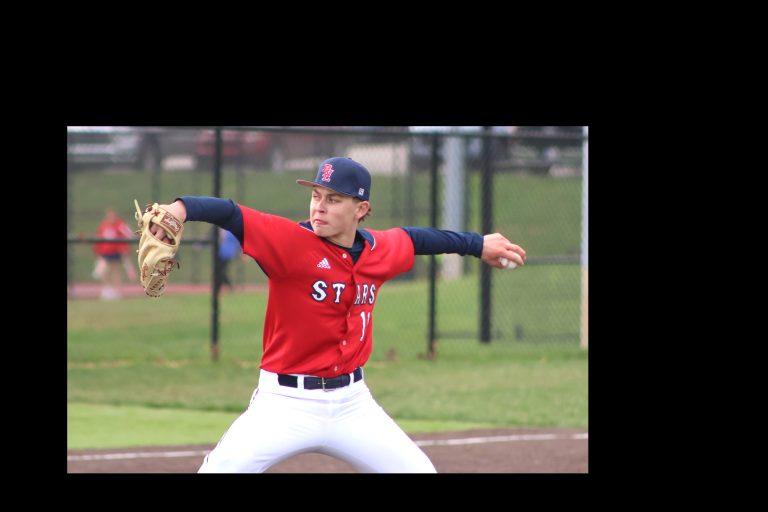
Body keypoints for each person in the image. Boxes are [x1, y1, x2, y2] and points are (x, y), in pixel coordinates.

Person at [147, 157, 526, 473]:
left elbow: (418, 239)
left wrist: (479, 244)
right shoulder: (289, 242)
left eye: (333, 199)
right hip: (284, 404)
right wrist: (181, 208)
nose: (319, 206)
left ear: (361, 210)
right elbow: (231, 214)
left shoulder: (381, 249)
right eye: (316, 195)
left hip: (351, 404)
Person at [93, 208, 136, 300]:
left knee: (115, 271)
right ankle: (106, 290)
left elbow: (129, 234)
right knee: (103, 271)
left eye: (112, 216)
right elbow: (98, 238)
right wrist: (97, 251)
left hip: (116, 252)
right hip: (105, 253)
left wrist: (125, 249)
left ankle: (117, 291)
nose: (111, 218)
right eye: (109, 216)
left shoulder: (120, 225)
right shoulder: (103, 225)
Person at [217, 227, 242, 291]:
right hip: (223, 251)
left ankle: (228, 286)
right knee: (221, 270)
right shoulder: (229, 231)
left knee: (221, 270)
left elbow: (239, 243)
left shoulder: (232, 231)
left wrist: (241, 253)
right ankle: (226, 286)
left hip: (226, 252)